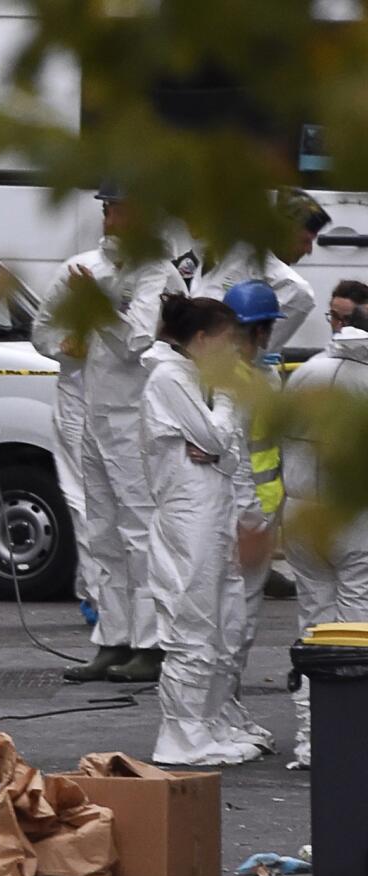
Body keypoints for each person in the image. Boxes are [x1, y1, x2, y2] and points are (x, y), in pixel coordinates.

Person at [47, 184, 187, 683]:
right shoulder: (93, 268)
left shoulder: (158, 271)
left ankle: (151, 644)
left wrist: (98, 307)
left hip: (138, 418)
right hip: (95, 412)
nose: (108, 217)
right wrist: (69, 341)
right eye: (106, 209)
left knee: (139, 531)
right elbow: (49, 332)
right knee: (102, 532)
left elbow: (137, 341)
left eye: (117, 208)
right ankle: (113, 637)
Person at [141, 295, 264, 767]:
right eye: (227, 340)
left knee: (221, 622)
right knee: (191, 622)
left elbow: (225, 454)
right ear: (200, 339)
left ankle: (208, 721)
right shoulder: (169, 378)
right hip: (188, 514)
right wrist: (228, 406)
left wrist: (217, 443)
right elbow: (215, 439)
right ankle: (182, 735)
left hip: (214, 507)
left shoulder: (192, 378)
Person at [280, 308, 368, 768]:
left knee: (313, 631)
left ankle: (313, 740)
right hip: (356, 522)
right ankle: (354, 741)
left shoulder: (306, 372)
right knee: (359, 636)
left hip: (301, 516)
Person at [216, 280, 287, 754]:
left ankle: (228, 709)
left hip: (256, 511)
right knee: (233, 624)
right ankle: (221, 713)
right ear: (259, 330)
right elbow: (238, 456)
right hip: (246, 515)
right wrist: (250, 517)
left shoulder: (250, 375)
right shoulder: (235, 382)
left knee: (238, 620)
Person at [189, 188, 330, 352]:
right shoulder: (293, 287)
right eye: (304, 240)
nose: (308, 250)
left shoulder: (292, 288)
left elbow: (254, 355)